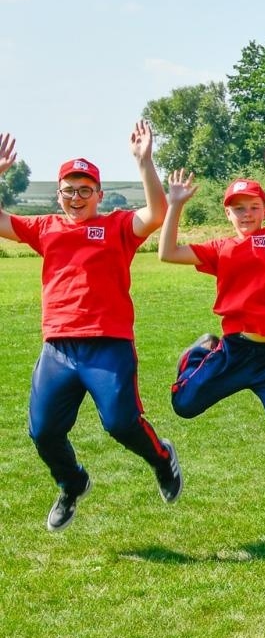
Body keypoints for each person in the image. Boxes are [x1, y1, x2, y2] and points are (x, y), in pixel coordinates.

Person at [0, 124, 182, 531]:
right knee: (43, 431)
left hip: (107, 346)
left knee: (121, 424)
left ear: (99, 194)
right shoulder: (45, 227)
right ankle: (72, 483)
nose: (76, 198)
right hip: (58, 349)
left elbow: (156, 213)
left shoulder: (116, 226)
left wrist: (145, 161)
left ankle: (161, 459)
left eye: (85, 190)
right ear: (58, 194)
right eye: (69, 190)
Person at [162, 148, 265, 515]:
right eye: (238, 208)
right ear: (227, 214)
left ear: (264, 211)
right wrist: (175, 205)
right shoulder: (221, 249)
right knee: (184, 406)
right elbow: (167, 252)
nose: (246, 214)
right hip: (236, 351)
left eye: (253, 207)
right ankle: (198, 354)